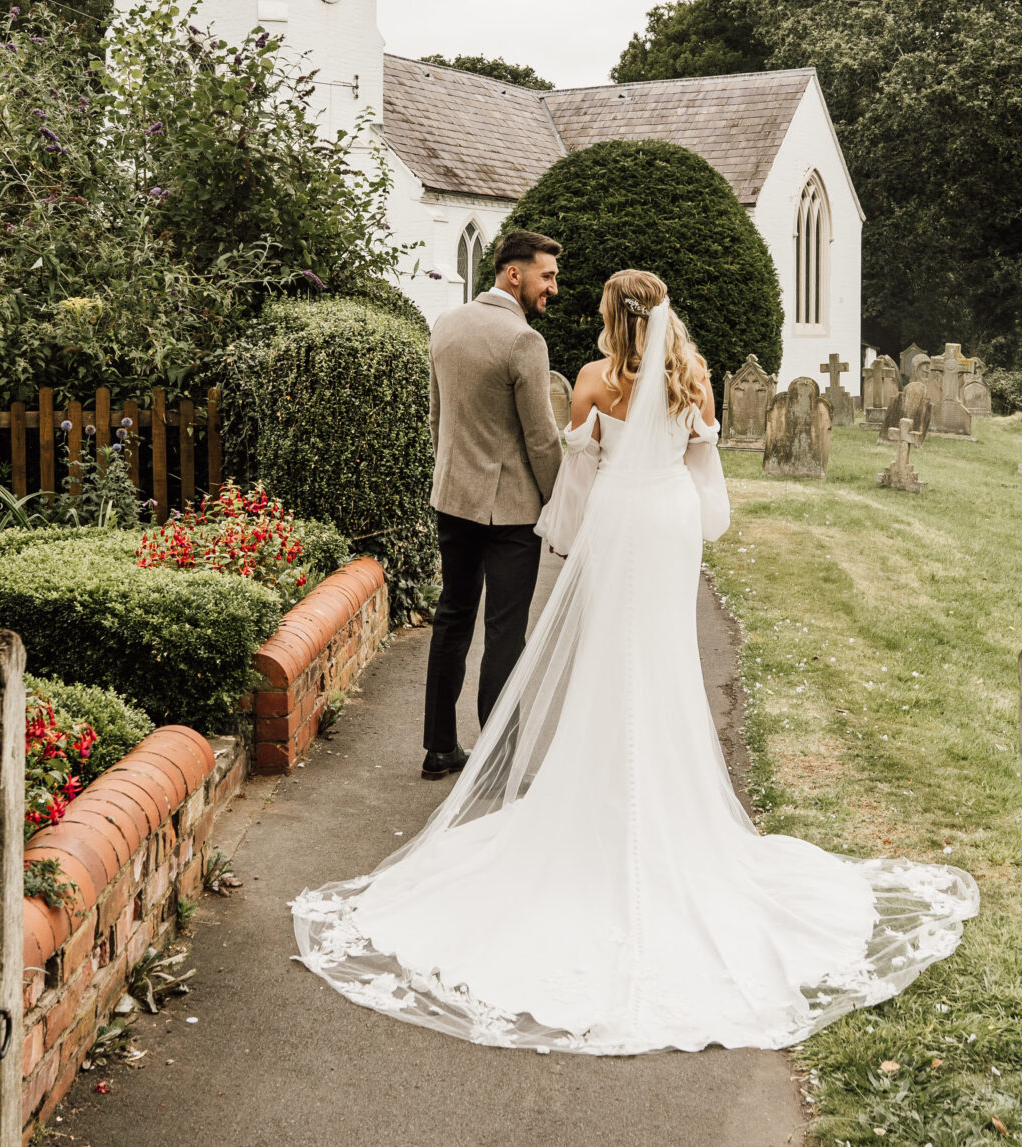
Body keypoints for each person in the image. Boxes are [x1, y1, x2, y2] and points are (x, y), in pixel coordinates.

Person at [294, 269, 977, 1055]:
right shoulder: (694, 380)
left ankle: (598, 808)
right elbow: (705, 477)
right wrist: (681, 507)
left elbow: (580, 476)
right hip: (670, 524)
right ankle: (665, 805)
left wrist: (569, 532)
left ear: (615, 318)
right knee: (665, 659)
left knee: (607, 659)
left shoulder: (589, 382)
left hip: (622, 521)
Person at [419, 228, 564, 781]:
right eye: (546, 276)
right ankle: (499, 761)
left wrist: (452, 477)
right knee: (505, 629)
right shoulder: (524, 340)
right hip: (510, 512)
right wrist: (559, 509)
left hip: (453, 499)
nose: (552, 287)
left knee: (452, 617)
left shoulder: (446, 324)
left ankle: (438, 749)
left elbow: (438, 419)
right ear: (514, 274)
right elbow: (541, 439)